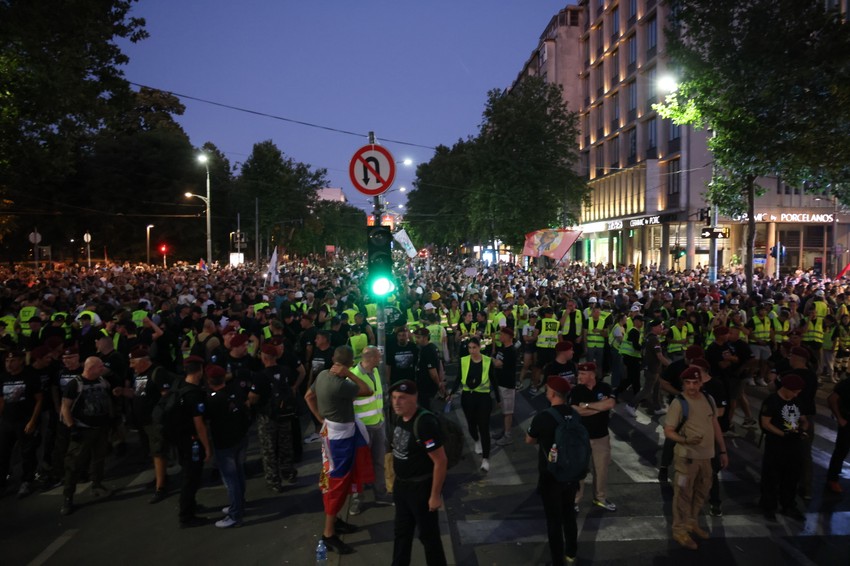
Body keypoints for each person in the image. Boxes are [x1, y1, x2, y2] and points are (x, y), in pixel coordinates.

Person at [305, 345, 375, 555]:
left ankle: (334, 522)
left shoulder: (323, 375)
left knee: (337, 478)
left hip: (331, 431)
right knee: (338, 482)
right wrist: (349, 376)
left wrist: (319, 418)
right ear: (350, 364)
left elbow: (308, 396)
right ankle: (328, 534)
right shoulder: (341, 384)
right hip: (341, 439)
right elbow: (368, 390)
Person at [663, 367, 728, 550]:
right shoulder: (679, 403)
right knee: (683, 494)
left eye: (695, 382)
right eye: (687, 383)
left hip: (707, 457)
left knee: (702, 491)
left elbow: (715, 425)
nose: (691, 386)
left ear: (701, 383)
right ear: (683, 384)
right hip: (686, 458)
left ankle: (692, 522)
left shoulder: (709, 399)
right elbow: (668, 431)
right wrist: (685, 440)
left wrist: (722, 451)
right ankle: (679, 530)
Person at [389, 379, 448, 566]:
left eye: (402, 398)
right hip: (402, 487)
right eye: (394, 398)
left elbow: (440, 461)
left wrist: (435, 496)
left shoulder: (425, 423)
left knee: (429, 537)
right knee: (401, 533)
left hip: (420, 489)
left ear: (414, 399)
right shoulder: (400, 417)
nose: (396, 402)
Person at [526, 376, 580, 566]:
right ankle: (571, 552)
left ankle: (558, 559)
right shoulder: (575, 414)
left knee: (554, 520)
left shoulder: (543, 416)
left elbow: (529, 440)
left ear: (552, 394)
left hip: (551, 475)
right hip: (572, 473)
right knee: (569, 514)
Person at [59, 357, 114, 515]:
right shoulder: (75, 384)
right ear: (91, 368)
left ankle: (97, 484)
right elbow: (65, 407)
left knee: (99, 458)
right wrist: (72, 427)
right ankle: (68, 497)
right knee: (74, 463)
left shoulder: (102, 381)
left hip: (100, 427)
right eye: (100, 366)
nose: (102, 368)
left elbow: (108, 398)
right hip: (83, 430)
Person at [205, 363, 252, 528]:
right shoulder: (235, 390)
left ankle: (235, 514)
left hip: (225, 443)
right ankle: (240, 504)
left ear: (209, 381)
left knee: (231, 479)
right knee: (239, 474)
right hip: (240, 438)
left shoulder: (212, 399)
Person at [759, 373, 808, 522]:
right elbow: (765, 423)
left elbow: (803, 419)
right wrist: (783, 434)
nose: (796, 394)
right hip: (776, 444)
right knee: (772, 476)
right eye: (794, 391)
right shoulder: (772, 401)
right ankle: (769, 506)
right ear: (786, 388)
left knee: (792, 476)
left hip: (794, 444)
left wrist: (802, 429)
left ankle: (788, 505)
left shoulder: (796, 401)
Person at [349, 345, 392, 515]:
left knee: (379, 461)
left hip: (378, 424)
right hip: (362, 428)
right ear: (371, 358)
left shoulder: (374, 372)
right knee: (359, 466)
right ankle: (356, 500)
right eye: (378, 357)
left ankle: (380, 493)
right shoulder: (354, 377)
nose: (380, 360)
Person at [249, 343, 298, 492]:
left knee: (269, 449)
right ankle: (288, 472)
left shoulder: (260, 376)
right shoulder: (286, 371)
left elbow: (253, 398)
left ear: (264, 357)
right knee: (286, 445)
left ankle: (274, 480)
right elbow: (291, 389)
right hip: (285, 414)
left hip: (267, 417)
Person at [570, 361, 616, 512]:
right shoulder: (576, 390)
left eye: (583, 374)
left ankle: (600, 498)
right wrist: (599, 407)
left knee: (601, 470)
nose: (579, 376)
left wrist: (587, 406)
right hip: (581, 437)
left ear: (592, 375)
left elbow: (610, 404)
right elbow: (576, 411)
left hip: (601, 437)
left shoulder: (605, 387)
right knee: (579, 470)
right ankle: (575, 499)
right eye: (579, 373)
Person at [449, 337, 499, 472]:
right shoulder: (463, 360)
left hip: (484, 398)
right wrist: (451, 393)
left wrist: (498, 399)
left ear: (479, 347)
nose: (472, 351)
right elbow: (458, 378)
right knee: (471, 425)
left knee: (483, 427)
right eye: (469, 348)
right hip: (467, 398)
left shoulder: (488, 361)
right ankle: (477, 441)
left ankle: (486, 459)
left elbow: (493, 380)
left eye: (474, 348)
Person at [0, 349, 43, 497]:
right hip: (7, 421)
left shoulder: (30, 376)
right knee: (3, 452)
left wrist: (32, 421)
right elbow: (2, 400)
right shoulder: (3, 377)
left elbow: (39, 400)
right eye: (7, 361)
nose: (9, 364)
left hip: (24, 421)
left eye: (12, 361)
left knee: (27, 452)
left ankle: (27, 480)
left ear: (20, 361)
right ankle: (2, 482)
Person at [175, 356, 211, 528]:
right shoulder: (194, 394)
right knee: (191, 477)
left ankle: (190, 505)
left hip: (181, 439)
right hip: (192, 442)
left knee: (188, 475)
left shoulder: (181, 387)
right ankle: (186, 515)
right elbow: (199, 424)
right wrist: (207, 447)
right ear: (200, 371)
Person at [492, 327, 518, 445]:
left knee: (508, 412)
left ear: (508, 337)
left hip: (507, 384)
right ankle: (504, 431)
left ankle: (508, 436)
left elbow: (497, 363)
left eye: (502, 335)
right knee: (503, 410)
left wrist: (487, 359)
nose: (500, 336)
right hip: (500, 383)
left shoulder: (511, 351)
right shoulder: (503, 349)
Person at [826, 375, 850, 494]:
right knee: (841, 450)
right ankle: (832, 479)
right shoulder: (847, 383)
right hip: (847, 422)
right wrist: (839, 418)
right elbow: (832, 398)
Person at [412, 327, 444, 411]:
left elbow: (433, 372)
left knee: (427, 409)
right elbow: (440, 366)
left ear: (425, 338)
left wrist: (439, 384)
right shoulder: (432, 347)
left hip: (426, 387)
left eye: (418, 337)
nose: (416, 340)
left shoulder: (428, 350)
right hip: (426, 387)